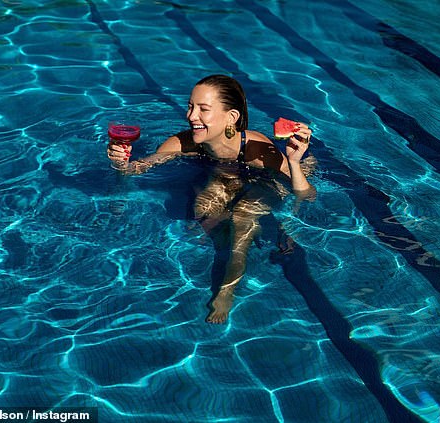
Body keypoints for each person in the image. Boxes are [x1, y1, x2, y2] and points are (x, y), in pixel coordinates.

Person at [107, 74, 315, 323]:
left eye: (203, 109)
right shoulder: (182, 143)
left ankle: (227, 291)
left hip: (263, 181)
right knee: (201, 210)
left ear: (232, 117)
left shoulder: (258, 148)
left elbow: (306, 194)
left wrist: (293, 162)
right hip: (219, 175)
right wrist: (120, 165)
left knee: (243, 218)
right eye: (190, 106)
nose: (191, 116)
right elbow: (135, 171)